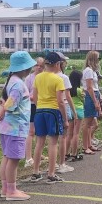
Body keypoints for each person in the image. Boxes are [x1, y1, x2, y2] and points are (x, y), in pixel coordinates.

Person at [0, 50, 37, 201]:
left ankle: (6, 188)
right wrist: (4, 109)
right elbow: (11, 104)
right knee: (13, 159)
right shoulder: (19, 84)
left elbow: (5, 100)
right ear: (25, 68)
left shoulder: (11, 80)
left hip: (6, 127)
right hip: (15, 127)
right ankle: (12, 191)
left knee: (7, 157)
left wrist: (2, 108)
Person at [31, 51, 68, 183]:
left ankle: (35, 172)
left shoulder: (37, 77)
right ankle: (51, 173)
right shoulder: (58, 79)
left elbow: (34, 97)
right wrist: (65, 119)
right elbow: (60, 101)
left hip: (39, 110)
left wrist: (39, 105)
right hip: (53, 111)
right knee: (53, 143)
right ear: (58, 64)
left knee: (39, 142)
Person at [55, 52, 76, 173]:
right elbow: (67, 97)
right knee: (63, 137)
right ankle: (61, 163)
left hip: (50, 108)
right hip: (63, 106)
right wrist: (74, 112)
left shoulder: (45, 76)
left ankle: (54, 165)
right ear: (60, 63)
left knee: (52, 139)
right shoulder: (63, 77)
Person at [24, 56, 45, 167]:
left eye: (41, 66)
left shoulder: (44, 78)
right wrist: (32, 97)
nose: (39, 67)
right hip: (32, 106)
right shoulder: (29, 78)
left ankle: (38, 153)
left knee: (39, 132)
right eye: (37, 65)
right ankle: (28, 157)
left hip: (41, 105)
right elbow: (25, 93)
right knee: (31, 132)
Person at [82, 50, 102, 154]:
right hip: (90, 96)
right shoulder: (88, 70)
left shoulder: (93, 71)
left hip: (95, 94)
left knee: (91, 123)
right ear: (93, 59)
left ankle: (89, 144)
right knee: (88, 123)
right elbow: (89, 87)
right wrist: (95, 101)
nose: (99, 60)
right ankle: (85, 146)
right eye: (98, 58)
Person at [66, 69, 84, 161]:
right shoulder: (80, 90)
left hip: (70, 110)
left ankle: (66, 153)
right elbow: (83, 100)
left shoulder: (68, 90)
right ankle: (74, 153)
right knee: (76, 133)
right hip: (79, 110)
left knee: (69, 133)